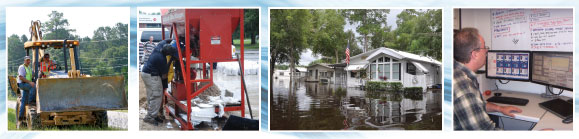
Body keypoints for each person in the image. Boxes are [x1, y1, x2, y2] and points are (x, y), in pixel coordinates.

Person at [453, 28, 522, 130]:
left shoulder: (459, 72)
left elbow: (477, 105)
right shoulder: (463, 86)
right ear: (474, 54)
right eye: (484, 47)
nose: (486, 50)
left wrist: (500, 108)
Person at [141, 43, 176, 126]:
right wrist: (171, 60)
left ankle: (153, 114)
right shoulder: (161, 59)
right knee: (156, 96)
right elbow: (164, 75)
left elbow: (166, 40)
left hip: (145, 73)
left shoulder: (159, 46)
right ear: (168, 54)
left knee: (151, 94)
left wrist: (172, 40)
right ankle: (150, 117)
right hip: (152, 76)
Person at [17, 56, 36, 123]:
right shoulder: (22, 67)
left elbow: (32, 75)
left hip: (26, 84)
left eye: (29, 60)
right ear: (24, 60)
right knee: (33, 87)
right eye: (27, 60)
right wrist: (30, 82)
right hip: (22, 84)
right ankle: (31, 102)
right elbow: (21, 77)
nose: (28, 61)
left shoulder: (29, 68)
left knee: (23, 101)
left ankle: (20, 118)